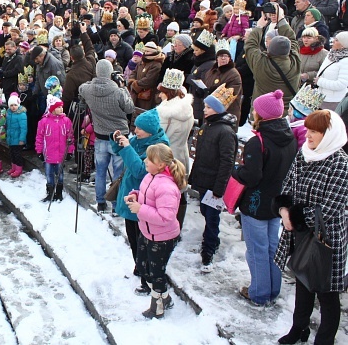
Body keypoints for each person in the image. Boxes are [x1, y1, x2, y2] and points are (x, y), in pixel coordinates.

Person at [273, 110, 348, 345]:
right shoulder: (304, 153)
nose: (309, 135)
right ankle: (299, 329)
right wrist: (284, 209)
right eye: (308, 129)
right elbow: (286, 185)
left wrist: (292, 218)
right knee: (303, 284)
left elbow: (330, 208)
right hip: (300, 232)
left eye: (315, 131)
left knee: (327, 293)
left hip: (326, 238)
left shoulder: (340, 163)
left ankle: (324, 340)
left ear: (329, 134)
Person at [231, 90, 297, 307]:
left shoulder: (257, 141)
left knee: (257, 250)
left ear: (261, 115)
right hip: (278, 203)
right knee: (272, 247)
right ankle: (272, 289)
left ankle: (259, 293)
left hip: (255, 203)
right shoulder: (289, 138)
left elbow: (252, 175)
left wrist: (236, 170)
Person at [124, 143, 186, 319]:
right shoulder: (150, 176)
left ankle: (157, 307)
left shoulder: (167, 187)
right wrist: (135, 195)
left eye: (149, 159)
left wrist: (140, 209)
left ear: (160, 164)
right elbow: (147, 196)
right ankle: (165, 297)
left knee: (156, 273)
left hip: (162, 238)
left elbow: (166, 217)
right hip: (147, 232)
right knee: (143, 265)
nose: (145, 161)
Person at [112, 109, 170, 292]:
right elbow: (122, 153)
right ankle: (139, 265)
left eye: (139, 128)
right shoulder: (139, 139)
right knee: (132, 235)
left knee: (143, 240)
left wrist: (128, 147)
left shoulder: (159, 147)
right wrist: (117, 142)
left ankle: (147, 276)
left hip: (145, 200)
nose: (135, 130)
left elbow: (140, 170)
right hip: (133, 194)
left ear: (150, 130)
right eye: (135, 126)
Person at [188, 84, 238, 272]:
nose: (204, 109)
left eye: (208, 108)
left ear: (217, 110)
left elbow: (227, 162)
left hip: (213, 184)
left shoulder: (225, 132)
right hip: (203, 179)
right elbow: (201, 155)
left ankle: (209, 248)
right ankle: (211, 239)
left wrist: (219, 188)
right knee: (204, 210)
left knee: (211, 216)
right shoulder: (207, 126)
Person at [79, 59, 135, 212]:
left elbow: (81, 88)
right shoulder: (117, 91)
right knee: (118, 174)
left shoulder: (88, 90)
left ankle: (101, 202)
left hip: (100, 136)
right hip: (119, 137)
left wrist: (94, 81)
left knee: (100, 172)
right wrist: (123, 87)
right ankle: (116, 206)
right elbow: (130, 108)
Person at [35, 95, 74, 202]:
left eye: (62, 107)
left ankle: (59, 192)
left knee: (60, 175)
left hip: (61, 154)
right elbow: (39, 137)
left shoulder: (66, 121)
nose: (61, 109)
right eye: (58, 107)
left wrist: (70, 150)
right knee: (49, 174)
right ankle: (50, 192)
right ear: (51, 109)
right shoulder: (43, 122)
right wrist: (39, 151)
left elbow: (70, 137)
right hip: (48, 154)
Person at [314, 32, 348, 110]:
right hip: (321, 98)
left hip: (334, 101)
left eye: (336, 40)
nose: (333, 41)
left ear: (343, 45)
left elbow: (341, 84)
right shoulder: (331, 55)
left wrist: (320, 81)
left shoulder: (345, 61)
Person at [288, 84, 325, 150]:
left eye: (291, 109)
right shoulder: (293, 121)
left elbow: (303, 148)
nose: (288, 110)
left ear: (298, 113)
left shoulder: (304, 129)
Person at [5, 92, 27, 178]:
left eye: (15, 105)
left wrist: (22, 139)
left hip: (18, 139)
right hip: (11, 138)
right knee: (12, 153)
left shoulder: (21, 114)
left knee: (17, 154)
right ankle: (13, 167)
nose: (13, 107)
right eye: (11, 105)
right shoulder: (9, 113)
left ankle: (18, 168)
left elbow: (24, 128)